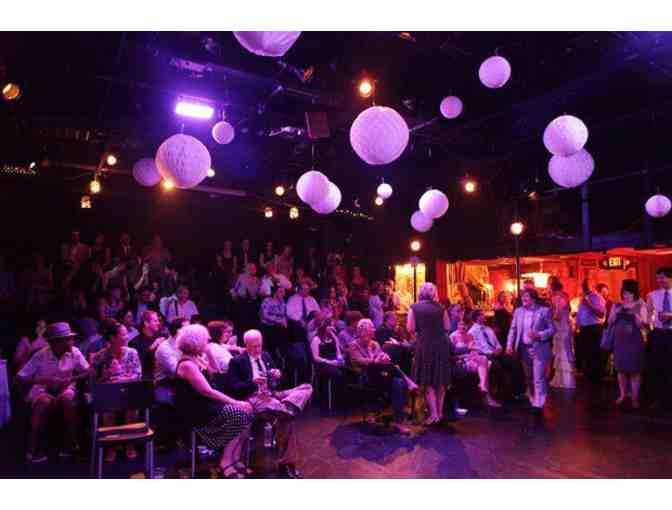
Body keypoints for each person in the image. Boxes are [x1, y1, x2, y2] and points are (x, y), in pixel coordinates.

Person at [227, 329, 313, 479]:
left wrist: (278, 375)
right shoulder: (237, 361)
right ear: (246, 345)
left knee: (306, 387)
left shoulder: (265, 355)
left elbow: (276, 382)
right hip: (255, 397)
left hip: (273, 395)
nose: (257, 349)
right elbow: (233, 388)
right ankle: (287, 464)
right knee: (288, 420)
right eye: (254, 347)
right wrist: (252, 382)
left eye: (259, 345)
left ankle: (285, 407)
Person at [174, 324, 254, 478]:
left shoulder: (196, 359)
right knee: (240, 413)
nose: (209, 340)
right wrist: (235, 402)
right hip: (197, 409)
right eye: (205, 339)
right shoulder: (187, 364)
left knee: (248, 412)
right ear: (195, 342)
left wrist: (208, 352)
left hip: (207, 404)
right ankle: (225, 461)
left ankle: (235, 458)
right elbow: (207, 391)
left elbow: (215, 372)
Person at [17, 322, 90, 462]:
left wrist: (72, 378)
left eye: (71, 338)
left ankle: (70, 444)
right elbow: (20, 378)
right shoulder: (41, 355)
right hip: (43, 388)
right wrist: (42, 380)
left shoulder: (74, 352)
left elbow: (88, 371)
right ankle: (33, 447)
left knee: (67, 401)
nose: (71, 341)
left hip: (66, 387)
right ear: (55, 342)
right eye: (67, 339)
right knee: (43, 403)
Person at [348, 319, 416, 434]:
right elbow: (359, 360)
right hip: (364, 376)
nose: (370, 335)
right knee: (393, 371)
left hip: (380, 376)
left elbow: (381, 357)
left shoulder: (375, 344)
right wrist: (375, 360)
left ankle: (398, 422)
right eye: (368, 332)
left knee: (398, 383)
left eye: (370, 332)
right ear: (360, 332)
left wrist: (384, 358)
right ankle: (408, 380)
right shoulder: (353, 345)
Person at [92, 319, 143, 462]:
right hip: (109, 393)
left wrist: (119, 380)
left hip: (128, 391)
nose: (127, 337)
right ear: (113, 337)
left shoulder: (132, 353)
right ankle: (111, 446)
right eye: (124, 334)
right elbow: (94, 382)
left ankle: (129, 444)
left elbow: (137, 375)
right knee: (109, 410)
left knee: (132, 407)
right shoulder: (100, 356)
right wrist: (105, 376)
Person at [406, 283, 452, 424]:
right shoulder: (441, 308)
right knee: (440, 379)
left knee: (428, 379)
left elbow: (410, 328)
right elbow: (447, 327)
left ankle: (434, 414)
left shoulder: (414, 308)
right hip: (441, 345)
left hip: (425, 345)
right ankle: (440, 413)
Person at [506, 289, 556, 417]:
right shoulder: (518, 311)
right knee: (529, 377)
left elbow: (552, 329)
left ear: (533, 298)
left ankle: (539, 403)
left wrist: (539, 335)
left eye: (526, 296)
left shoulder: (544, 311)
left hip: (539, 348)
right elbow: (513, 329)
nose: (523, 299)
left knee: (538, 377)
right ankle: (534, 398)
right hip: (524, 349)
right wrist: (509, 345)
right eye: (522, 297)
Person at [609, 279, 647, 409]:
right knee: (621, 370)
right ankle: (623, 395)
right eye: (625, 293)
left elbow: (643, 325)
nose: (626, 296)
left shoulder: (641, 305)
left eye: (629, 293)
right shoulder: (617, 305)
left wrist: (636, 317)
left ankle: (634, 398)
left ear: (634, 293)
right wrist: (615, 314)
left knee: (635, 370)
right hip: (620, 341)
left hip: (634, 341)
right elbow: (609, 322)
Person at [451, 318, 501, 408]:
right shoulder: (453, 336)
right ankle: (486, 395)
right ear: (457, 325)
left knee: (484, 359)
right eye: (460, 324)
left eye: (464, 325)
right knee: (486, 364)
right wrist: (466, 355)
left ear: (468, 326)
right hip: (460, 361)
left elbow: (475, 350)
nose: (462, 327)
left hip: (471, 359)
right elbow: (451, 355)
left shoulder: (469, 336)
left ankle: (483, 386)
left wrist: (473, 353)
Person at [646, 267, 672, 412]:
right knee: (658, 367)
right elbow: (649, 314)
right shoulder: (652, 295)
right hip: (659, 334)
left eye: (662, 277)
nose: (659, 280)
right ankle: (660, 399)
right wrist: (650, 325)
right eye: (657, 278)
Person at [576, 279, 607, 383]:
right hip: (584, 330)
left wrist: (589, 304)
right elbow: (580, 314)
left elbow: (601, 314)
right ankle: (588, 377)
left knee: (595, 355)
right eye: (583, 285)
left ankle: (596, 380)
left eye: (586, 285)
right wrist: (578, 324)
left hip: (594, 329)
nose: (584, 287)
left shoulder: (597, 297)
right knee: (586, 355)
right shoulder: (583, 298)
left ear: (593, 286)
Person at [154, 318, 189, 405]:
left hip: (183, 383)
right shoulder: (164, 348)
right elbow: (177, 371)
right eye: (187, 329)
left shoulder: (185, 344)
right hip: (166, 384)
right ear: (178, 331)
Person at [549, 279, 576, 389]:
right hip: (564, 326)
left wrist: (549, 316)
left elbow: (558, 316)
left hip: (561, 328)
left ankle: (565, 380)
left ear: (552, 288)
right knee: (563, 351)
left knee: (562, 352)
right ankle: (562, 379)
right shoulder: (565, 296)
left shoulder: (557, 298)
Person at [310, 317, 345, 385]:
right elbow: (315, 357)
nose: (332, 328)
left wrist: (340, 359)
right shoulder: (316, 339)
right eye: (330, 326)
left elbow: (338, 351)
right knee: (337, 374)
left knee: (345, 371)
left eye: (333, 326)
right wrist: (329, 362)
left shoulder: (333, 337)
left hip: (334, 361)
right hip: (322, 363)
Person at [129, 310, 161, 377]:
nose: (158, 323)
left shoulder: (160, 338)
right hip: (145, 379)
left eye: (158, 321)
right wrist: (152, 347)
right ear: (146, 323)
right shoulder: (134, 343)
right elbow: (139, 365)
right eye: (155, 321)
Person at [259, 285, 289, 357]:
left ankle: (283, 355)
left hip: (278, 326)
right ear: (275, 293)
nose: (283, 294)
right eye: (281, 292)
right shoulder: (267, 301)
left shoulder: (282, 302)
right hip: (267, 326)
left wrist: (284, 320)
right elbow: (265, 315)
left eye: (284, 292)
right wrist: (278, 320)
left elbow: (283, 314)